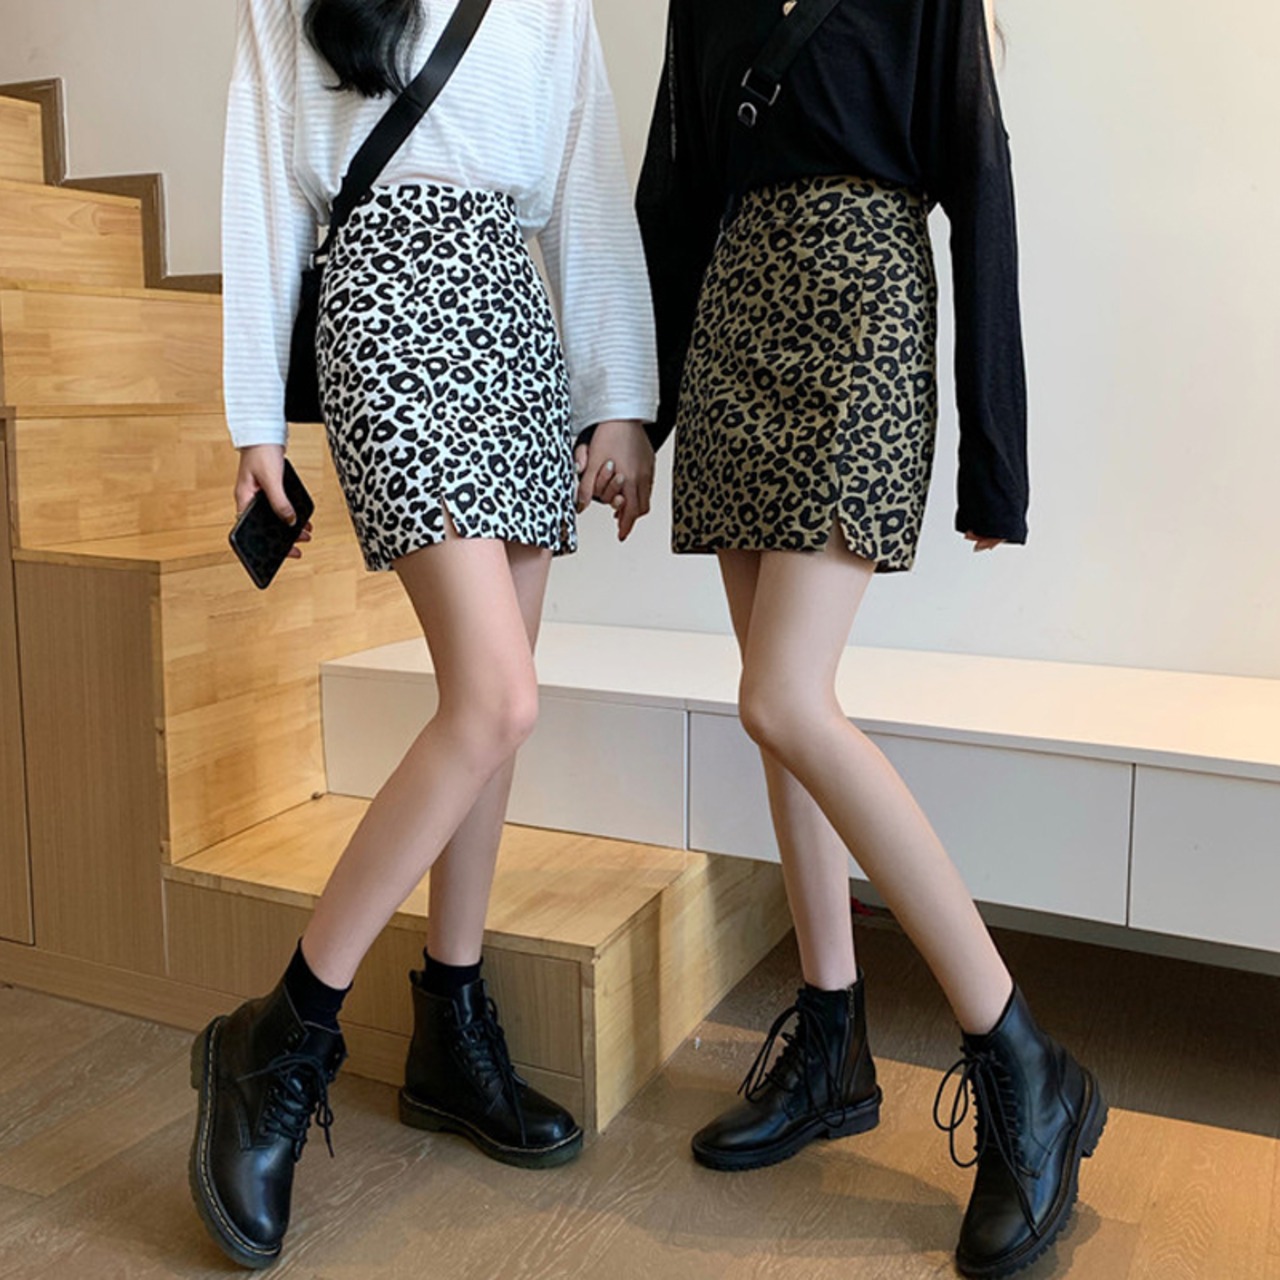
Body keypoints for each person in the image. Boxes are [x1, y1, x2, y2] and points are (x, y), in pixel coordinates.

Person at [635, 1, 1104, 1276]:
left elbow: (981, 191)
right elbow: (671, 194)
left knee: (782, 697)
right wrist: (630, 407)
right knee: (773, 707)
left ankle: (1021, 1056)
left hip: (861, 317)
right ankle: (832, 1039)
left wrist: (993, 457)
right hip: (734, 320)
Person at [191, 0, 657, 1266]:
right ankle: (281, 1034)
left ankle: (451, 1021)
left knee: (495, 708)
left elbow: (586, 183)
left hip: (513, 316)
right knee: (496, 697)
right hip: (385, 299)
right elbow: (261, 181)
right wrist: (254, 418)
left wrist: (617, 396)